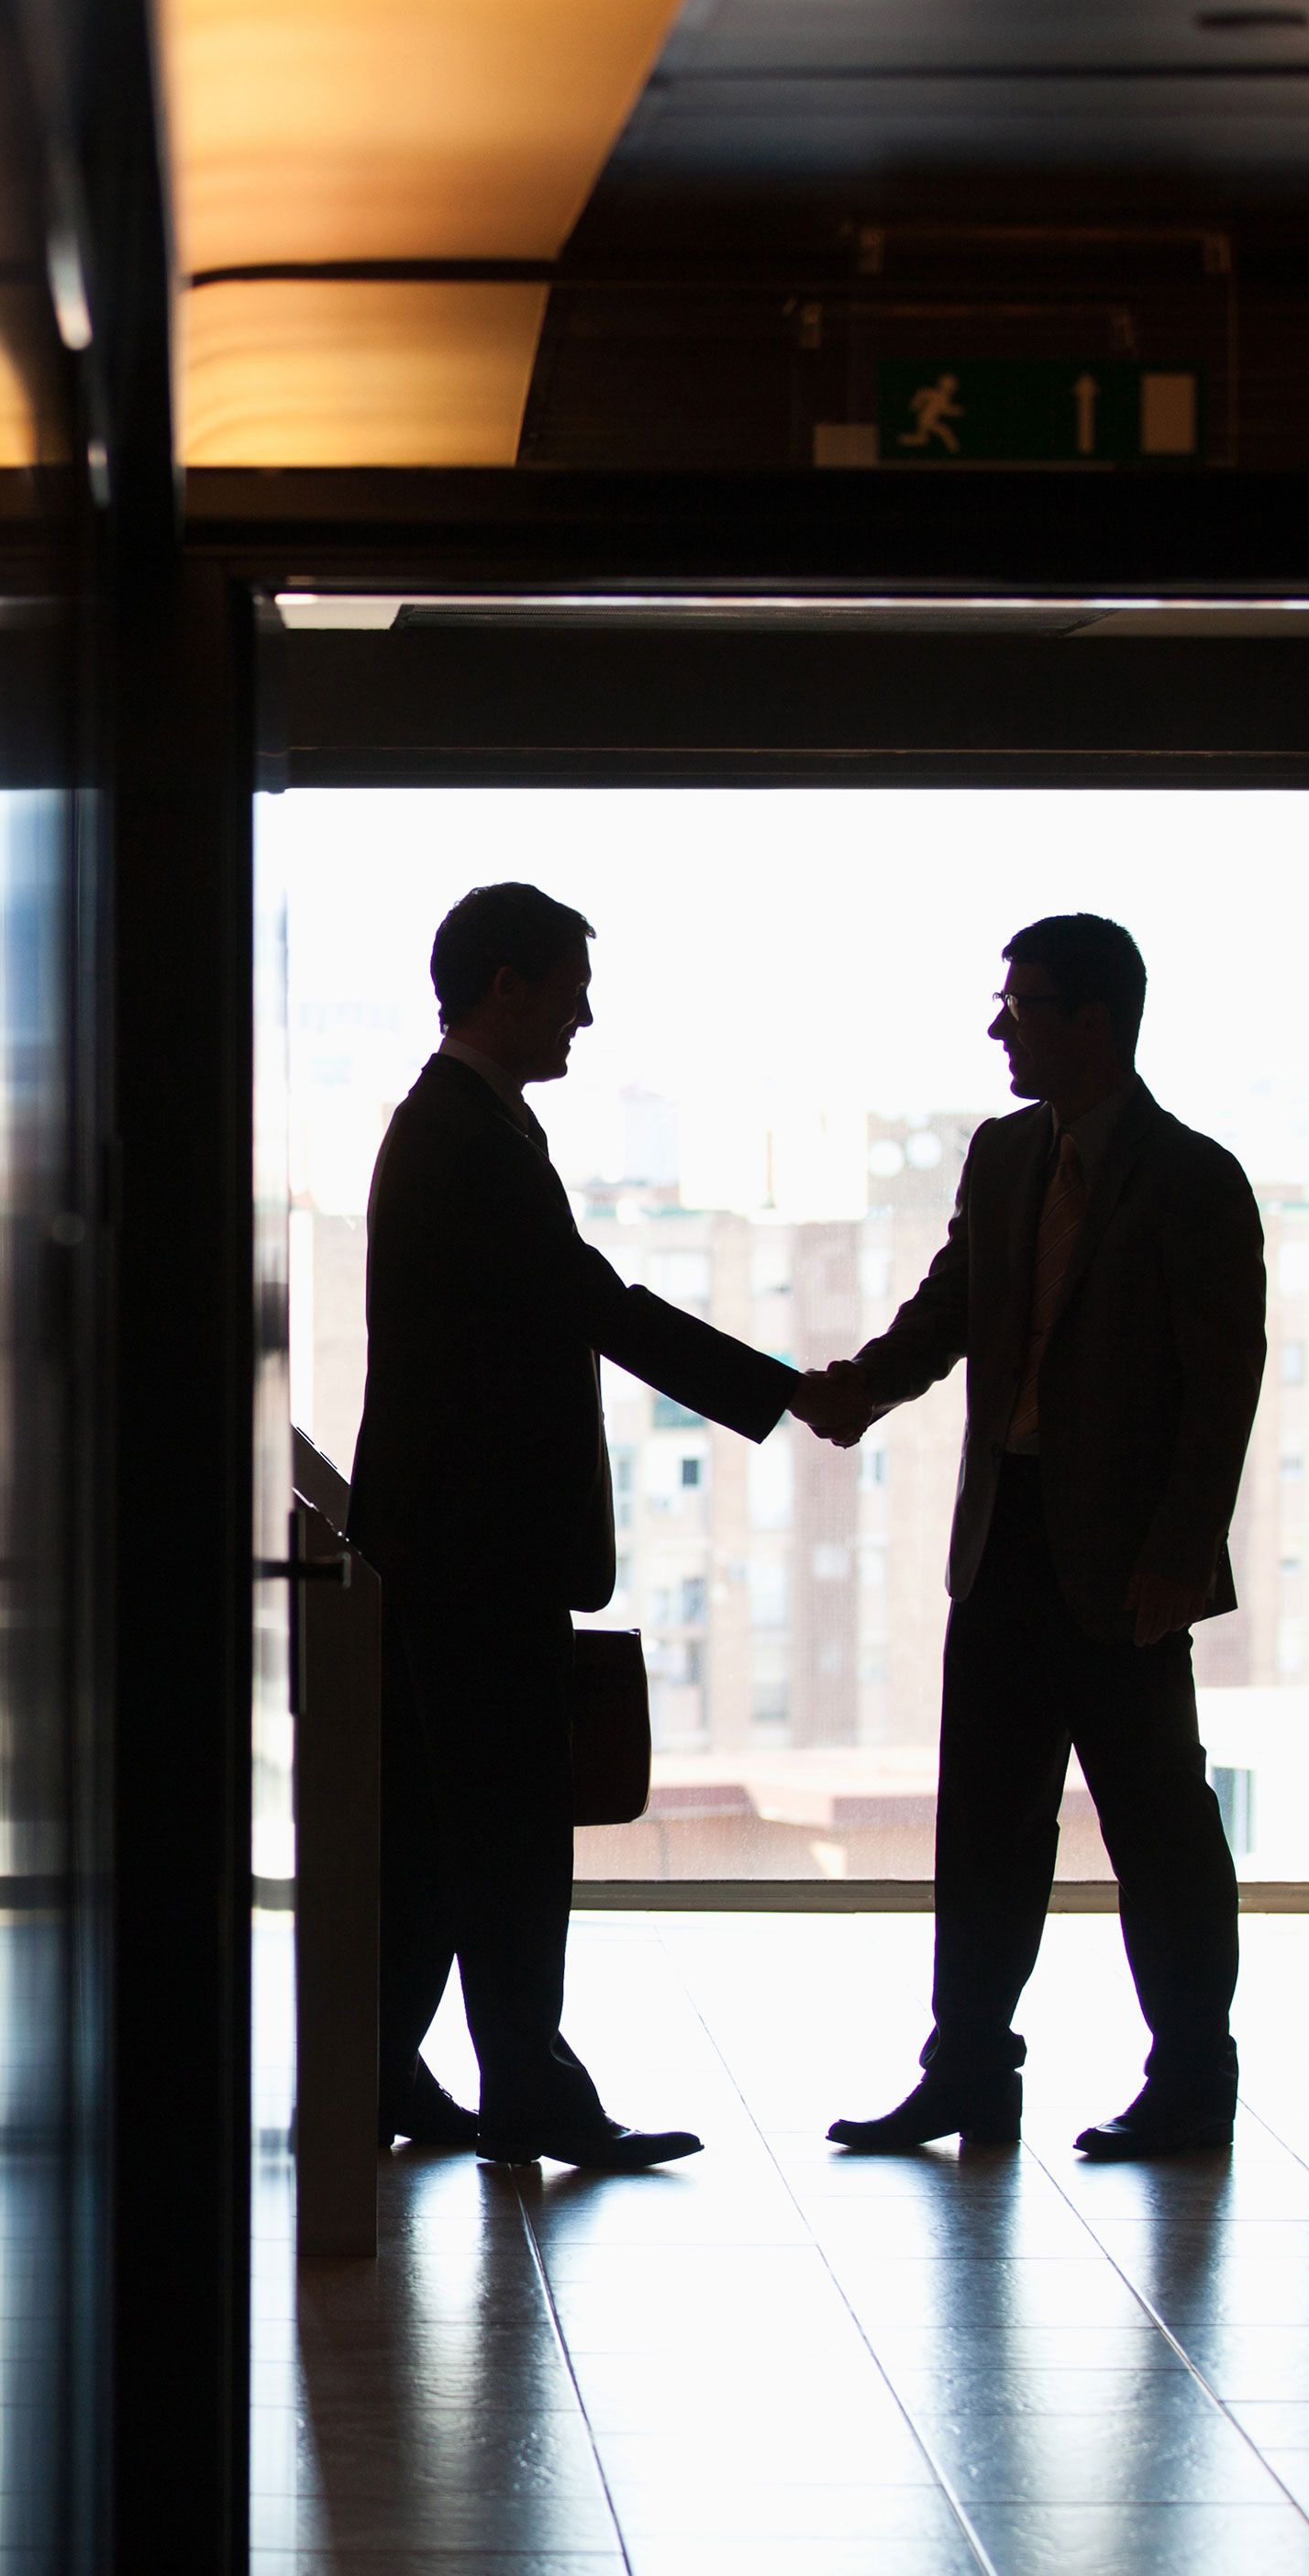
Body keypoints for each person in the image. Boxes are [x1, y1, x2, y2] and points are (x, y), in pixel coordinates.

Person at [345, 883, 853, 2170]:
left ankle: (389, 2067)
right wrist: (782, 1388)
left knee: (444, 1834)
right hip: (478, 1554)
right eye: (571, 983)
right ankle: (527, 2091)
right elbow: (598, 1304)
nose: (587, 1013)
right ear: (506, 987)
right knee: (508, 1837)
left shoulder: (462, 1122)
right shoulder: (467, 1136)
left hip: (447, 1547)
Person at [804, 914, 1264, 2160]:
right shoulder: (1004, 1156)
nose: (998, 1025)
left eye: (1021, 1004)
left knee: (1157, 1825)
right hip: (1003, 1538)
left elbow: (1226, 1386)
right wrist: (860, 1387)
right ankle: (968, 2074)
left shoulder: (1193, 1178)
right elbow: (958, 1301)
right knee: (987, 1819)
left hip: (1127, 1567)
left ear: (1092, 1022)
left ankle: (1192, 2078)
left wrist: (1179, 1552)